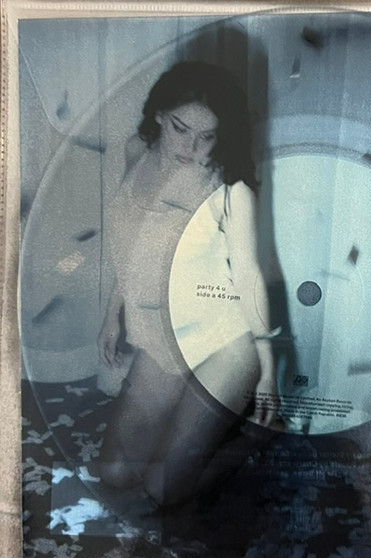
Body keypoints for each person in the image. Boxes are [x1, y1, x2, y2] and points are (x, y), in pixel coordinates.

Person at [96, 61, 279, 507]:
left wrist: (269, 371)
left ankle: (253, 440)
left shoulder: (230, 188)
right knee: (115, 473)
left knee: (162, 493)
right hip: (164, 340)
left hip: (224, 343)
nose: (191, 147)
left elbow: (249, 277)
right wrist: (111, 314)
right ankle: (193, 428)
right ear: (159, 114)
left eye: (207, 136)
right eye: (180, 129)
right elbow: (131, 247)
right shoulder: (135, 152)